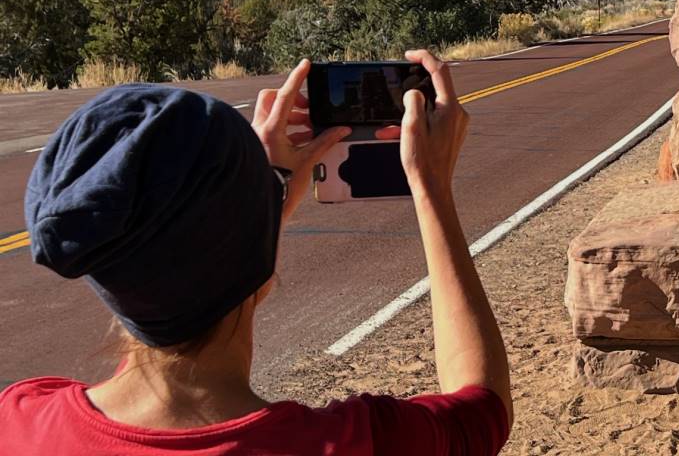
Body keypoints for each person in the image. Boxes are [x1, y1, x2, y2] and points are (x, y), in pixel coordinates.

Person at [1, 52, 512, 455]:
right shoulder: (356, 443)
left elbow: (167, 295)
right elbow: (482, 410)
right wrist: (432, 188)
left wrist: (253, 207)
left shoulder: (18, 420)